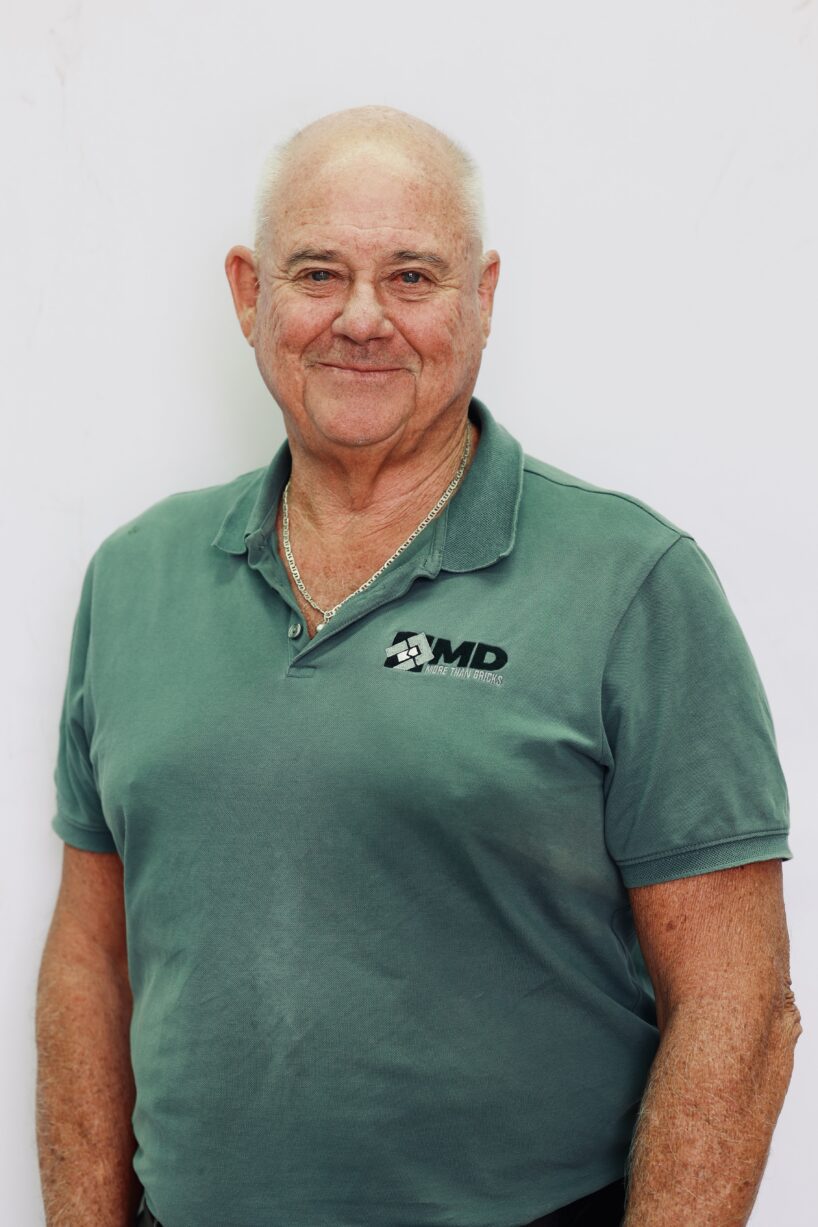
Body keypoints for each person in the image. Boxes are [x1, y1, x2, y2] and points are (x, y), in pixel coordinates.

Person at [36, 105, 801, 1227]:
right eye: (316, 273)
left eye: (410, 275)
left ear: (481, 297)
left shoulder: (632, 582)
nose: (360, 319)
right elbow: (88, 962)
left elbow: (738, 1007)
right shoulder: (134, 577)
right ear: (249, 294)